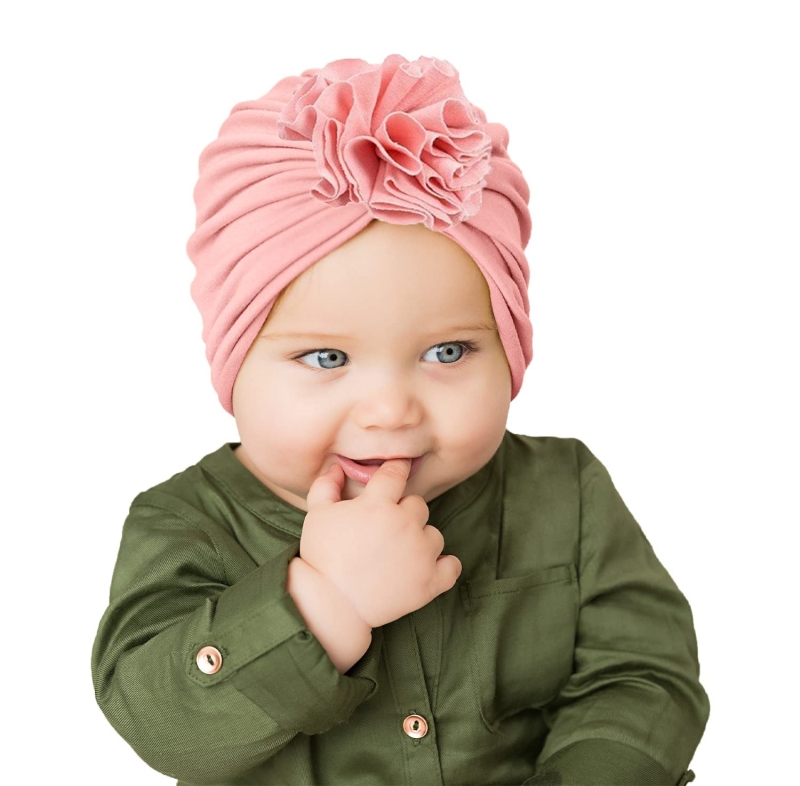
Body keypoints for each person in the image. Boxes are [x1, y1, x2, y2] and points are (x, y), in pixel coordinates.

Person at [91, 55, 709, 785]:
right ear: (233, 360)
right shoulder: (183, 524)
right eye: (326, 358)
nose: (390, 410)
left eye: (448, 351)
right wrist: (324, 603)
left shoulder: (566, 493)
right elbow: (162, 725)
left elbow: (643, 678)